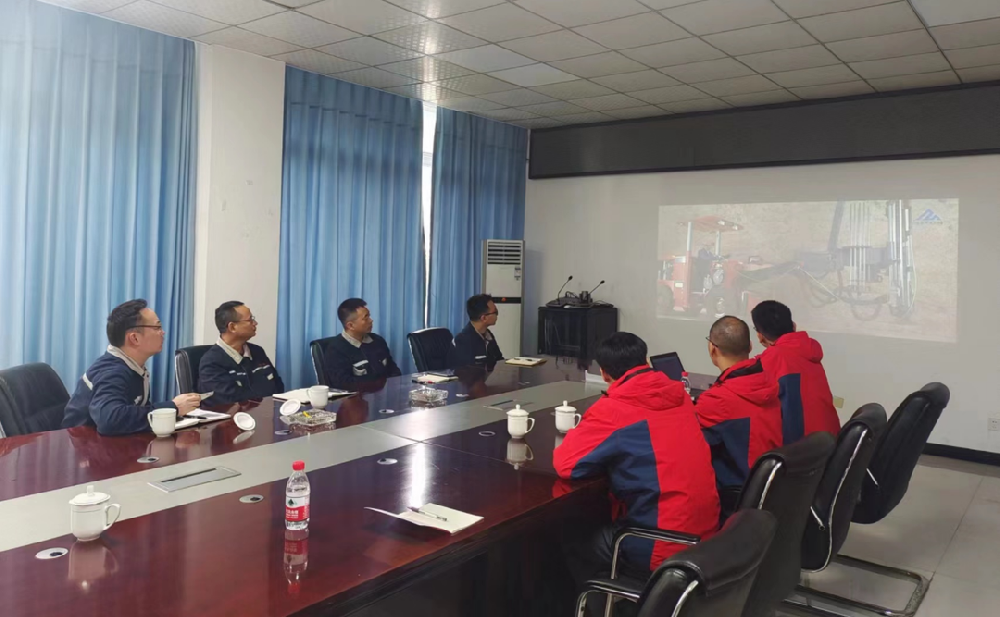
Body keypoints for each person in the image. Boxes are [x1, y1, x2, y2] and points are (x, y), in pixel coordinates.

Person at [553, 332, 720, 592]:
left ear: (604, 373)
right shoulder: (680, 397)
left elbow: (566, 464)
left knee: (570, 536)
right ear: (644, 360)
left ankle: (604, 605)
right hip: (707, 532)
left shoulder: (614, 409)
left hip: (662, 544)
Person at [63, 299, 200, 436]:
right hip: (82, 444)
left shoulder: (132, 366)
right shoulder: (111, 371)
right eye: (157, 327)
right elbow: (110, 420)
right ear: (134, 338)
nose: (162, 332)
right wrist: (173, 407)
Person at [695, 316, 782, 519]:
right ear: (750, 346)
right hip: (767, 491)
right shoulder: (767, 383)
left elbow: (688, 443)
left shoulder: (718, 400)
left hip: (735, 498)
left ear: (712, 348)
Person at [751, 300, 841, 443]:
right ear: (793, 326)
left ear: (760, 335)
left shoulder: (773, 357)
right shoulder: (808, 349)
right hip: (830, 441)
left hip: (802, 449)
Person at [197, 301, 285, 406]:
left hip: (266, 412)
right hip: (233, 416)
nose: (255, 323)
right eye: (250, 319)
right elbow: (230, 402)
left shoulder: (257, 351)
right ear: (232, 327)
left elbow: (278, 387)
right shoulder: (211, 362)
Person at [324, 298, 401, 389]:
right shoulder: (336, 349)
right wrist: (379, 382)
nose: (371, 320)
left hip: (385, 394)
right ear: (350, 325)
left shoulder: (377, 340)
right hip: (357, 397)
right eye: (366, 318)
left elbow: (394, 371)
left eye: (369, 316)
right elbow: (344, 383)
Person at [451, 294, 503, 369]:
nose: (497, 315)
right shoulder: (462, 340)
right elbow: (466, 371)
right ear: (484, 318)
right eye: (495, 312)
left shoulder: (488, 335)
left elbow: (499, 360)